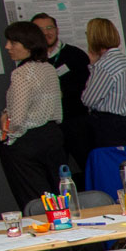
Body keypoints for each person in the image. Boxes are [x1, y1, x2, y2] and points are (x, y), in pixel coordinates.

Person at [0, 20, 66, 207]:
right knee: (58, 194)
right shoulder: (49, 68)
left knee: (34, 199)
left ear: (28, 45)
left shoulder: (21, 74)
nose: (7, 47)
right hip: (52, 136)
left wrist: (9, 138)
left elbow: (17, 118)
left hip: (28, 141)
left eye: (13, 42)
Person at [31, 13, 92, 172]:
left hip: (77, 122)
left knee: (88, 165)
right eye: (40, 29)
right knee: (55, 171)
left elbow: (85, 87)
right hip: (49, 126)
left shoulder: (75, 55)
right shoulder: (31, 62)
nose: (46, 33)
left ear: (57, 30)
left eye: (50, 27)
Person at [79, 16, 126, 151]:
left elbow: (88, 99)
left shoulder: (104, 65)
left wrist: (92, 66)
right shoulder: (125, 60)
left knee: (109, 166)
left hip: (109, 126)